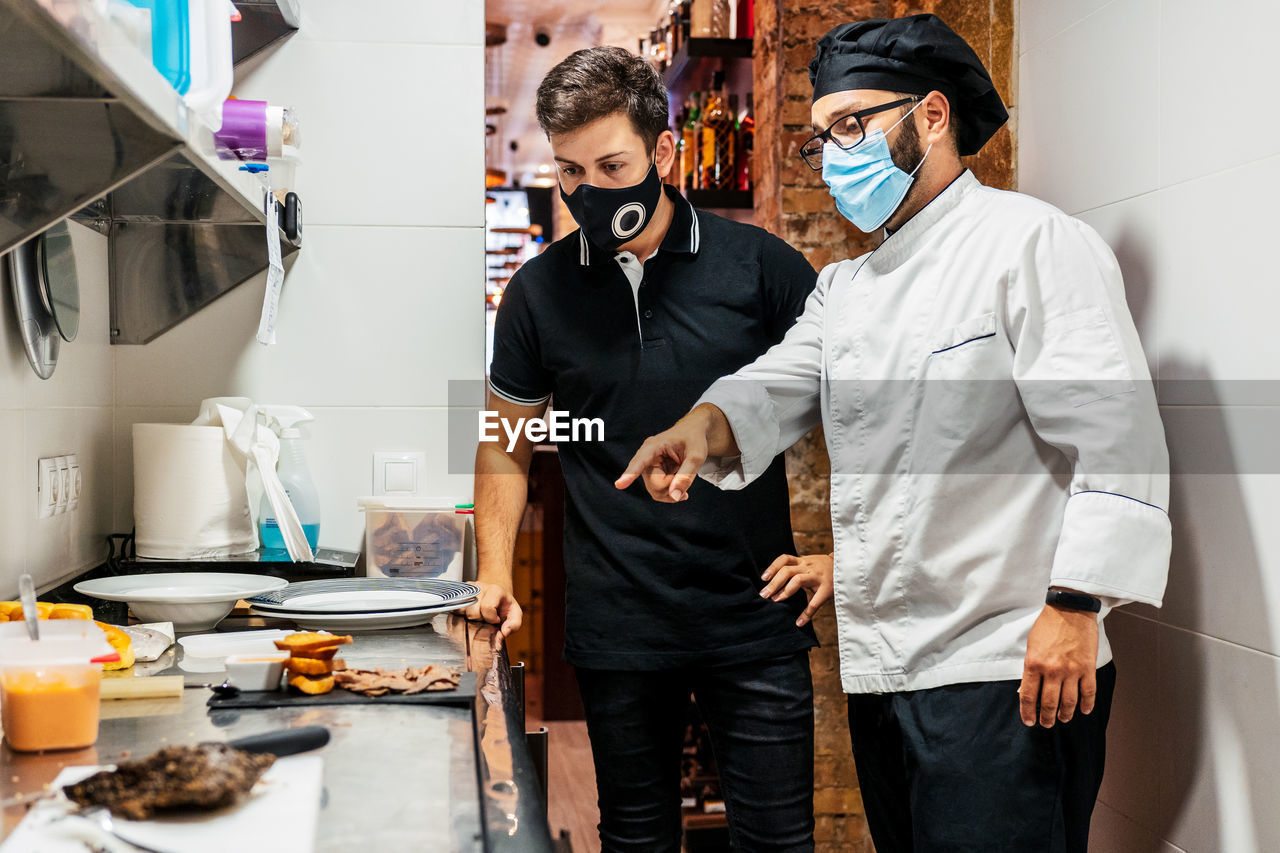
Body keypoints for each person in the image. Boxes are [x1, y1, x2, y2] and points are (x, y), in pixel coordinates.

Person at [616, 15, 1171, 853]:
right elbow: (781, 379)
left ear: (934, 117)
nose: (835, 154)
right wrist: (701, 427)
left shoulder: (1032, 243)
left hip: (1006, 669)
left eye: (852, 125)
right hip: (887, 676)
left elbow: (1117, 436)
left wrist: (1076, 603)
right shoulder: (848, 286)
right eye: (820, 138)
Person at [467, 46, 824, 852]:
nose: (588, 191)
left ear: (664, 153)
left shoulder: (761, 267)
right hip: (620, 620)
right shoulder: (538, 291)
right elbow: (503, 443)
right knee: (634, 839)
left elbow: (858, 409)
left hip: (753, 615)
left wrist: (845, 553)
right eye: (569, 171)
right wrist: (491, 571)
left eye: (611, 164)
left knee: (777, 841)